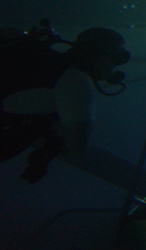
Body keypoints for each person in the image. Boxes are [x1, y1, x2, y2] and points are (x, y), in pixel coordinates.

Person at [0, 22, 130, 183]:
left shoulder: (39, 57)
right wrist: (50, 146)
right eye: (117, 59)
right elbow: (76, 148)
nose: (115, 68)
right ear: (100, 58)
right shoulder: (76, 80)